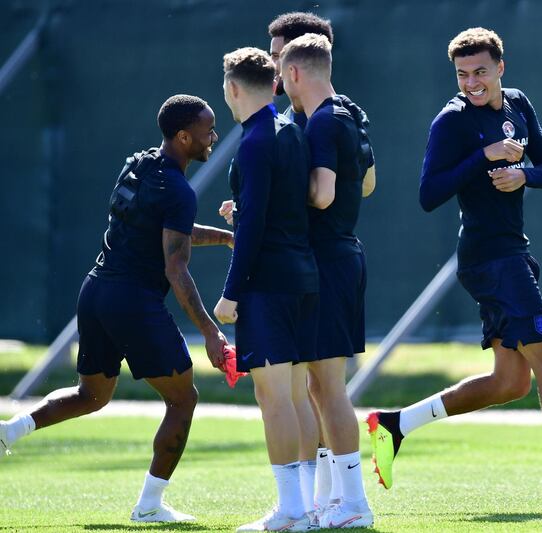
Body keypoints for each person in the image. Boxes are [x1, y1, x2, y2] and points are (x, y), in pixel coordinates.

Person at [367, 27, 542, 513]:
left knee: (510, 383)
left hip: (512, 253)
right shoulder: (451, 122)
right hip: (490, 259)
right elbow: (429, 194)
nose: (472, 83)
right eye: (462, 75)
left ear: (500, 67)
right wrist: (484, 157)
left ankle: (395, 424)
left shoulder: (517, 103)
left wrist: (523, 175)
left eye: (480, 72)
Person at [0, 94, 232, 522]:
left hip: (96, 292)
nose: (213, 136)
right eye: (207, 130)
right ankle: (149, 507)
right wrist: (212, 332)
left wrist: (224, 237)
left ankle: (8, 431)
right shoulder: (179, 189)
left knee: (92, 395)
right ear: (183, 137)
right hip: (133, 301)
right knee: (184, 400)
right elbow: (176, 269)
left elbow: (167, 231)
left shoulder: (139, 164)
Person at [213, 47, 319, 532]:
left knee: (273, 398)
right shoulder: (290, 130)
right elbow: (286, 205)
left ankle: (292, 511)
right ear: (275, 84)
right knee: (297, 395)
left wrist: (232, 292)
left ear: (234, 88)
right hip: (300, 277)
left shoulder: (253, 139)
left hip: (267, 284)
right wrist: (247, 207)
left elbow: (255, 226)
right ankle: (307, 507)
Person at [280, 33, 374, 528]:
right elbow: (367, 183)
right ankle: (336, 500)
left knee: (328, 389)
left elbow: (321, 194)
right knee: (321, 388)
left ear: (295, 72)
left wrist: (272, 202)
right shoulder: (348, 114)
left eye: (281, 71)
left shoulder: (321, 121)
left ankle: (355, 502)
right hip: (342, 255)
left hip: (329, 262)